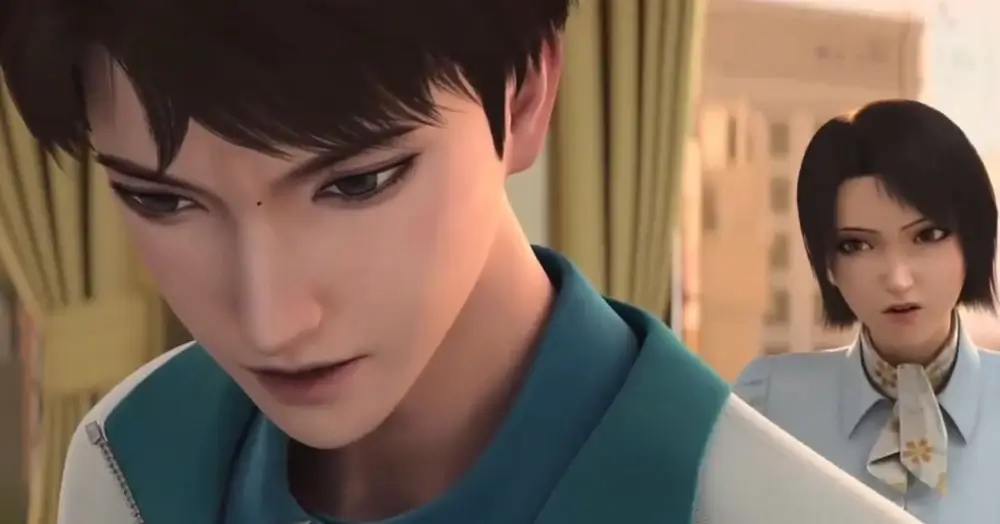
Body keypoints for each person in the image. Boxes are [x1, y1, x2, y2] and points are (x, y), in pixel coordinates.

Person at [2, 2, 923, 523]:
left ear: (523, 99)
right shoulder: (129, 463)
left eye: (357, 183)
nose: (271, 321)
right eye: (164, 202)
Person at [735, 99, 1000, 523]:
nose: (898, 279)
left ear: (973, 241)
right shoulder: (767, 403)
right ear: (827, 263)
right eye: (856, 245)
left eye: (928, 235)